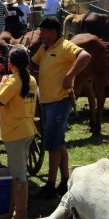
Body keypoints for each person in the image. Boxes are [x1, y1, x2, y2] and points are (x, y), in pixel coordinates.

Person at [32, 17, 91, 198]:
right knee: (59, 142)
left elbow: (85, 56)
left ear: (52, 32)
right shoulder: (45, 48)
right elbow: (33, 64)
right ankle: (65, 180)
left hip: (59, 101)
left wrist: (69, 75)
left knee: (52, 144)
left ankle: (50, 184)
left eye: (43, 31)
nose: (40, 34)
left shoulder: (65, 46)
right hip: (47, 102)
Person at [0, 46, 37, 219]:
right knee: (19, 171)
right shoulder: (31, 79)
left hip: (15, 133)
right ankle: (14, 210)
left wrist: (0, 84)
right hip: (27, 130)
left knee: (18, 175)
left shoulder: (13, 82)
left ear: (11, 65)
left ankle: (20, 214)